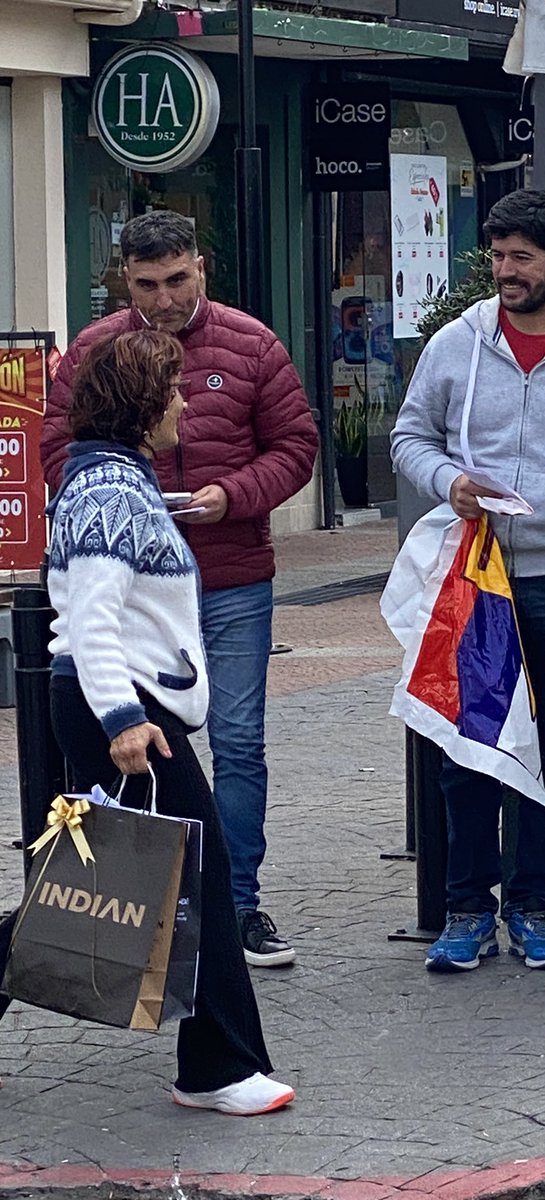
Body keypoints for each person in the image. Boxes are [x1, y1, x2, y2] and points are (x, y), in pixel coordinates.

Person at [0, 330, 294, 1114]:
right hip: (122, 714)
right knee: (198, 874)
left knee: (111, 880)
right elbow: (89, 620)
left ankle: (219, 1066)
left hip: (119, 710)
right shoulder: (106, 493)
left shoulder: (116, 482)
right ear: (139, 407)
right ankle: (220, 1069)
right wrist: (125, 721)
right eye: (170, 392)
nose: (182, 404)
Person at [41, 210, 319, 968]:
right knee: (140, 764)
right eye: (145, 285)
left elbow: (297, 445)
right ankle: (138, 919)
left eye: (177, 280)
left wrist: (233, 495)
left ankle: (237, 910)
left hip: (229, 575)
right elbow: (59, 447)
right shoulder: (100, 351)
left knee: (237, 742)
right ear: (123, 281)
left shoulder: (252, 343)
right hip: (133, 595)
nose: (163, 299)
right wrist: (119, 503)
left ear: (202, 267)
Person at [391, 188, 545, 972]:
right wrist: (448, 483)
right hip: (476, 577)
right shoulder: (455, 343)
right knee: (467, 746)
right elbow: (409, 435)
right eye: (497, 257)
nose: (506, 271)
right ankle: (466, 910)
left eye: (521, 259)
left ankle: (536, 907)